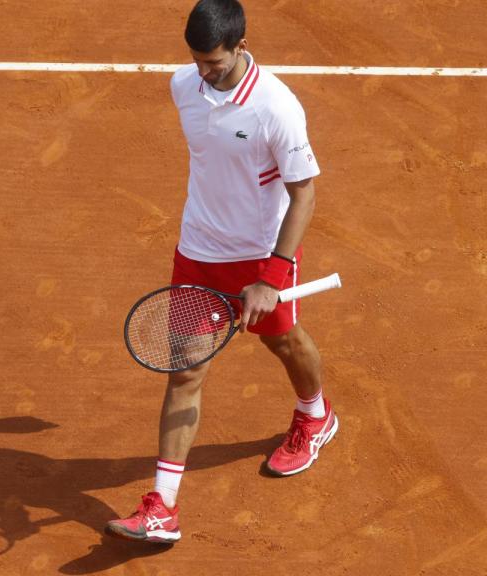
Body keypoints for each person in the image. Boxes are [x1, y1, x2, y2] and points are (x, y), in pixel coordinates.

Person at [106, 0, 338, 544]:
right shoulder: (183, 86)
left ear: (241, 44)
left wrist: (273, 275)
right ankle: (162, 505)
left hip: (260, 258)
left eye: (213, 62)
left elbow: (303, 193)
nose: (204, 73)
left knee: (285, 344)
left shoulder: (276, 107)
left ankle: (315, 413)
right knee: (185, 371)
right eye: (196, 61)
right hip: (197, 253)